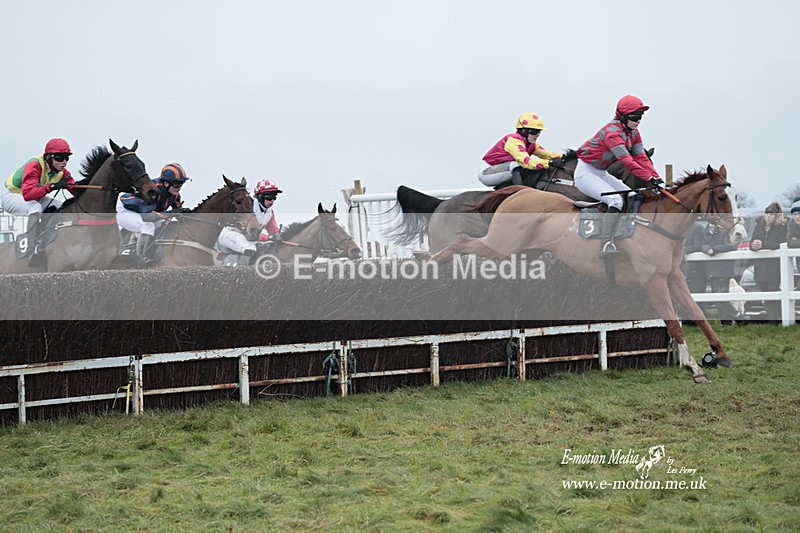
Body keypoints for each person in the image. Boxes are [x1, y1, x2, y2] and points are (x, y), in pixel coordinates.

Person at [575, 95, 663, 258]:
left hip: (601, 173)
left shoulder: (634, 133)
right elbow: (628, 161)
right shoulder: (612, 134)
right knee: (616, 200)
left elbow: (641, 157)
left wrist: (656, 178)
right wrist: (649, 178)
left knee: (634, 196)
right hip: (585, 173)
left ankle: (629, 234)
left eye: (641, 117)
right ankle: (606, 243)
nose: (638, 121)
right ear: (622, 116)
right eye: (635, 117)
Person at [1, 138, 76, 244]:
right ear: (49, 157)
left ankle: (48, 236)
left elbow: (76, 189)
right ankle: (30, 243)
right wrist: (51, 187)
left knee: (61, 206)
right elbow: (28, 195)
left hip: (35, 197)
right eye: (60, 158)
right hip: (12, 196)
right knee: (35, 207)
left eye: (67, 158)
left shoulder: (62, 172)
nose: (64, 162)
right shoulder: (34, 165)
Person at [117, 163, 189, 258]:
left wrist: (184, 212)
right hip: (125, 211)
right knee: (148, 226)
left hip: (143, 213)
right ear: (166, 183)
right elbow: (147, 217)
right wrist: (170, 213)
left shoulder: (174, 194)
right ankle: (141, 258)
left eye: (181, 183)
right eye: (176, 184)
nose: (179, 187)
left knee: (164, 224)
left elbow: (176, 211)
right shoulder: (153, 191)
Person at [478, 112, 567, 189]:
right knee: (518, 165)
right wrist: (548, 163)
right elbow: (526, 161)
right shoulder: (514, 140)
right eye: (534, 131)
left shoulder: (531, 145)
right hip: (487, 173)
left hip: (504, 171)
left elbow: (549, 155)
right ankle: (521, 191)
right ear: (523, 131)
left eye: (539, 131)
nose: (537, 135)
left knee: (532, 169)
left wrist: (566, 157)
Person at [215, 178, 282, 258]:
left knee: (270, 247)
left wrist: (281, 237)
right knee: (250, 249)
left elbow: (274, 231)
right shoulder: (248, 207)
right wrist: (269, 237)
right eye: (269, 197)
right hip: (231, 235)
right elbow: (250, 234)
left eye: (274, 197)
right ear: (260, 196)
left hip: (249, 239)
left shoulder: (269, 213)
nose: (272, 201)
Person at [749, 202, 788, 321]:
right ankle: (772, 317)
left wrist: (763, 244)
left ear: (776, 216)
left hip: (774, 266)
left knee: (773, 290)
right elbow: (751, 242)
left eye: (771, 214)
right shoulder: (758, 226)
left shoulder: (781, 227)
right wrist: (753, 246)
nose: (768, 216)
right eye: (767, 214)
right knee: (764, 291)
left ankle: (775, 319)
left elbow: (781, 244)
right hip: (760, 266)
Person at [700, 223, 739, 324]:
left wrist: (714, 250)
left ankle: (738, 317)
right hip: (712, 270)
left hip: (724, 269)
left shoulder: (731, 226)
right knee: (718, 299)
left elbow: (733, 245)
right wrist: (707, 249)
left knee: (722, 298)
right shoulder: (709, 228)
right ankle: (727, 323)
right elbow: (703, 244)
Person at [787, 198, 800, 282]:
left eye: (799, 214)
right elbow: (790, 243)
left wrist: (797, 240)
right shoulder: (791, 226)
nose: (797, 217)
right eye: (794, 214)